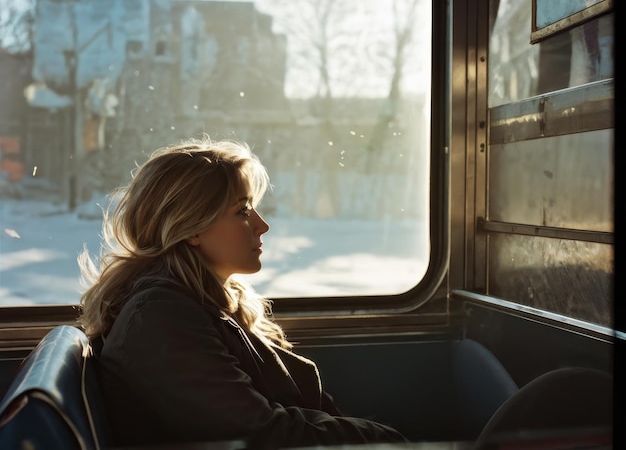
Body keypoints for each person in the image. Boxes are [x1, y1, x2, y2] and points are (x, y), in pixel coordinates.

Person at [78, 137, 409, 449]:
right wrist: (385, 440)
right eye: (243, 212)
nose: (262, 226)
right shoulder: (159, 317)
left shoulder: (200, 302)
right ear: (192, 227)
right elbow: (260, 433)